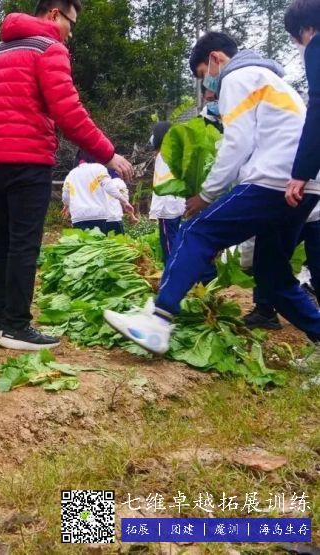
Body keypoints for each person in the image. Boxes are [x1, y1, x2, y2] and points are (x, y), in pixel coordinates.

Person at [104, 31, 320, 354]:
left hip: (272, 180)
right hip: (305, 185)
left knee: (196, 231)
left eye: (204, 75)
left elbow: (237, 143)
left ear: (216, 58)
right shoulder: (274, 81)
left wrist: (206, 195)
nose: (208, 86)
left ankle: (157, 321)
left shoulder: (237, 77)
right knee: (272, 275)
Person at [0, 0, 134, 350]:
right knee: (24, 242)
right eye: (71, 22)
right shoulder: (48, 49)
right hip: (28, 159)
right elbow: (68, 111)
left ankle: (0, 321)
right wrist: (108, 154)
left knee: (2, 241)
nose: (70, 33)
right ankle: (17, 326)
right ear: (55, 13)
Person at [284, 0, 320, 210]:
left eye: (297, 38)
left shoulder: (316, 46)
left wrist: (301, 172)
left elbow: (318, 108)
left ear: (307, 29)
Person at [61, 154, 134, 233]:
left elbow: (65, 195)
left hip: (78, 215)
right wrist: (124, 201)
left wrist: (66, 205)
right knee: (99, 238)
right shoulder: (99, 169)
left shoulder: (71, 174)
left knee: (83, 239)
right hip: (98, 214)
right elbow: (109, 187)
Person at [148, 121, 186, 263]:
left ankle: (173, 271)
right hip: (176, 206)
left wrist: (154, 212)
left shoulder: (162, 156)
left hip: (166, 209)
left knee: (169, 246)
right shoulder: (176, 153)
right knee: (175, 240)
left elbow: (160, 184)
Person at [104, 170, 132, 235]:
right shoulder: (119, 182)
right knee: (118, 240)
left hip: (99, 218)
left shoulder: (97, 180)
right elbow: (125, 198)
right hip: (114, 218)